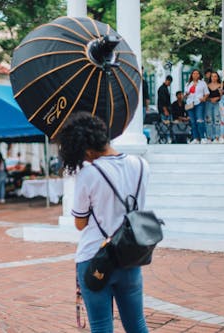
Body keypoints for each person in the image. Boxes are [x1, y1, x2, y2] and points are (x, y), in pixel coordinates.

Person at [58, 112, 149, 333]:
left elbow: (80, 224)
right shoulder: (141, 165)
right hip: (129, 255)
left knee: (101, 326)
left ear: (87, 149)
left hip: (94, 257)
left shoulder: (89, 174)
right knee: (137, 324)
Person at [184, 69, 210, 144]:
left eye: (197, 73)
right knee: (193, 121)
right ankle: (196, 138)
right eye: (194, 73)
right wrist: (187, 94)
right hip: (190, 104)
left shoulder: (202, 83)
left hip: (199, 103)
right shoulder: (188, 84)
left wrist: (204, 98)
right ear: (191, 75)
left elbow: (207, 93)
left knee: (200, 120)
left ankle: (202, 137)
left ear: (199, 75)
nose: (195, 75)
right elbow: (185, 95)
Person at [205, 71, 221, 143]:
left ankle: (217, 137)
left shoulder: (221, 85)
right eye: (212, 76)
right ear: (210, 77)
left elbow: (223, 96)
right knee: (209, 120)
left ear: (217, 77)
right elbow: (205, 96)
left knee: (217, 120)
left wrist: (217, 98)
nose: (214, 78)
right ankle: (209, 137)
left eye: (215, 76)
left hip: (217, 103)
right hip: (209, 104)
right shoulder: (207, 86)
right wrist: (210, 99)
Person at [157, 75, 173, 143]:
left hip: (166, 109)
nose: (169, 84)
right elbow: (162, 100)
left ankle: (167, 138)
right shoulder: (162, 89)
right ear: (167, 80)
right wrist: (165, 110)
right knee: (165, 125)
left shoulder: (165, 88)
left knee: (167, 124)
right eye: (169, 82)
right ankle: (166, 138)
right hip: (164, 110)